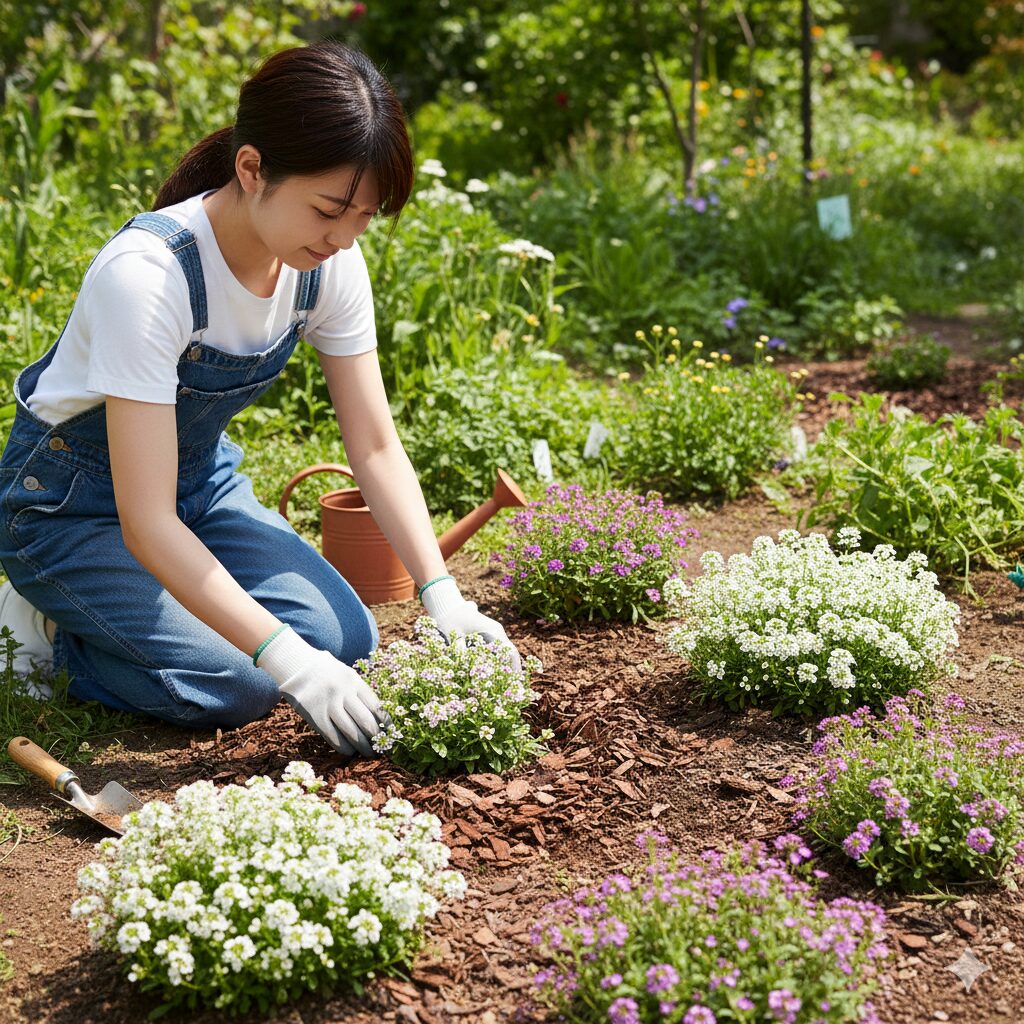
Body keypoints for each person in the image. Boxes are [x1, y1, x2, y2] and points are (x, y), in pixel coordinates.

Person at [0, 41, 520, 758]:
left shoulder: (326, 266)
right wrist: (288, 661)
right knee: (238, 684)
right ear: (252, 169)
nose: (344, 237)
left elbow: (372, 445)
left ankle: (129, 620)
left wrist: (441, 594)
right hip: (68, 508)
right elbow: (144, 521)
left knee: (346, 636)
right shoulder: (149, 277)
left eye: (364, 215)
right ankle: (46, 632)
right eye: (329, 209)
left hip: (197, 489)